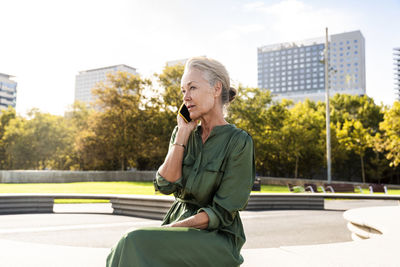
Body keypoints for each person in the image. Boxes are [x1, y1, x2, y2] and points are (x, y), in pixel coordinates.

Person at [106, 57, 255, 267]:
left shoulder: (239, 142)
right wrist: (182, 135)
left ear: (216, 88)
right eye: (183, 90)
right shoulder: (182, 132)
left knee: (133, 240)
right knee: (122, 249)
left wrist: (171, 229)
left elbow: (222, 212)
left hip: (216, 236)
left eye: (192, 88)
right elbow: (165, 185)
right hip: (177, 228)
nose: (186, 97)